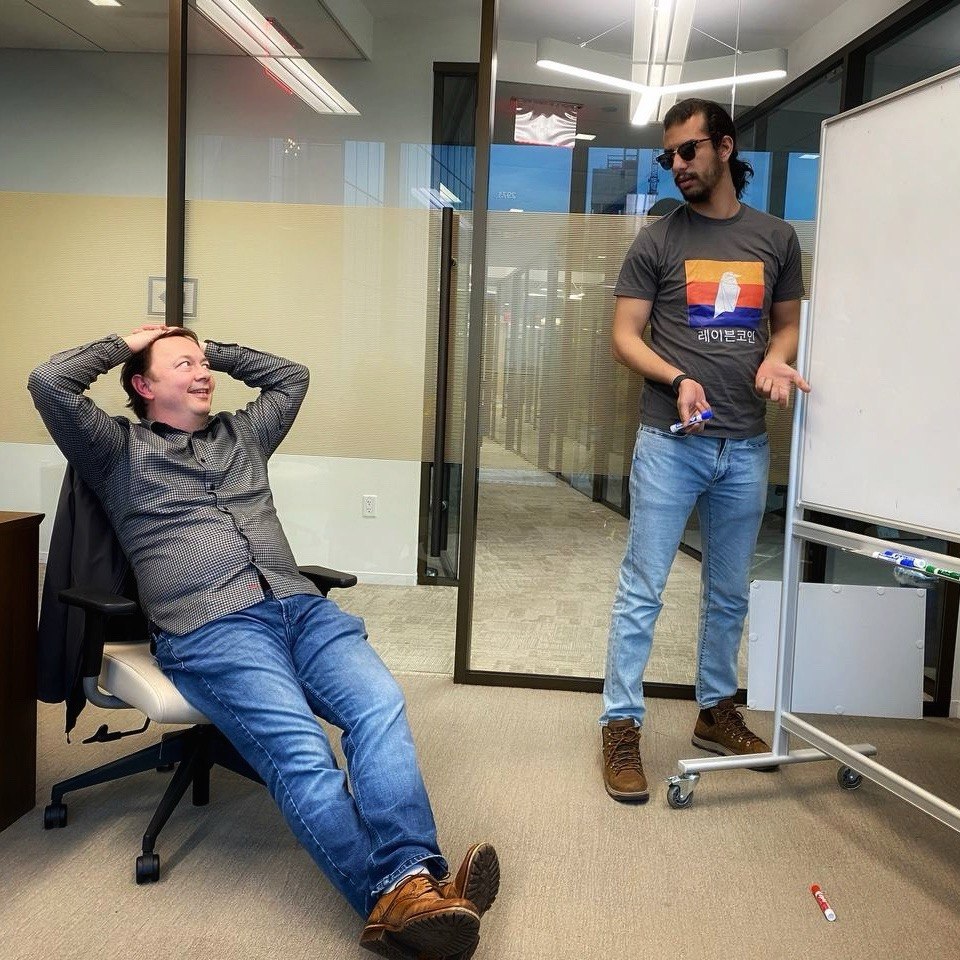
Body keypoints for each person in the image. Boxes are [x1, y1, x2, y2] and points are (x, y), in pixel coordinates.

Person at [29, 326, 499, 959]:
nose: (203, 373)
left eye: (204, 364)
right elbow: (48, 382)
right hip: (212, 631)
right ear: (143, 386)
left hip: (301, 609)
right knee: (304, 753)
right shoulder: (114, 450)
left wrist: (203, 345)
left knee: (379, 706)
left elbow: (292, 375)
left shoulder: (242, 434)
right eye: (182, 365)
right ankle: (405, 891)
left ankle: (411, 881)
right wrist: (129, 339)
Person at [599, 98, 810, 803]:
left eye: (687, 152)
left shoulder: (775, 239)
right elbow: (626, 335)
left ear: (724, 147)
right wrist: (679, 376)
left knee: (727, 594)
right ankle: (621, 723)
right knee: (643, 588)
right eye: (669, 156)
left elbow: (785, 328)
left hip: (745, 444)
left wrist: (779, 360)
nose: (676, 166)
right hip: (670, 441)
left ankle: (716, 713)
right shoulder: (659, 239)